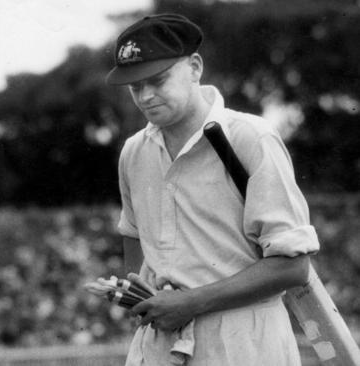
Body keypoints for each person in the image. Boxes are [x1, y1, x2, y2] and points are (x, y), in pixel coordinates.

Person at [107, 14, 320, 365]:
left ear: (194, 67)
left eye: (158, 80)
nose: (145, 96)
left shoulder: (250, 137)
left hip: (245, 343)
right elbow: (133, 235)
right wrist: (145, 297)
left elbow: (292, 266)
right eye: (134, 86)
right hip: (161, 345)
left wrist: (190, 302)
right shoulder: (134, 151)